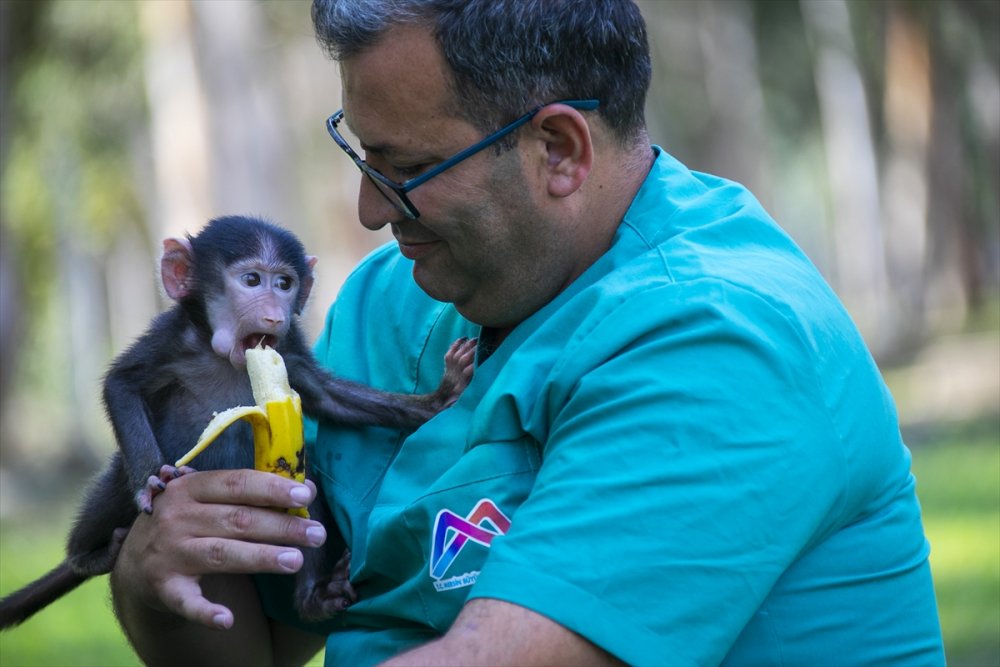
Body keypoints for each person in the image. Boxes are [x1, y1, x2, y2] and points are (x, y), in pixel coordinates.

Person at [110, 1, 946, 665]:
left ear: (558, 150)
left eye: (407, 169)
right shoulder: (389, 300)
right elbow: (264, 639)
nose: (368, 210)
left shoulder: (723, 342)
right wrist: (156, 573)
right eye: (364, 157)